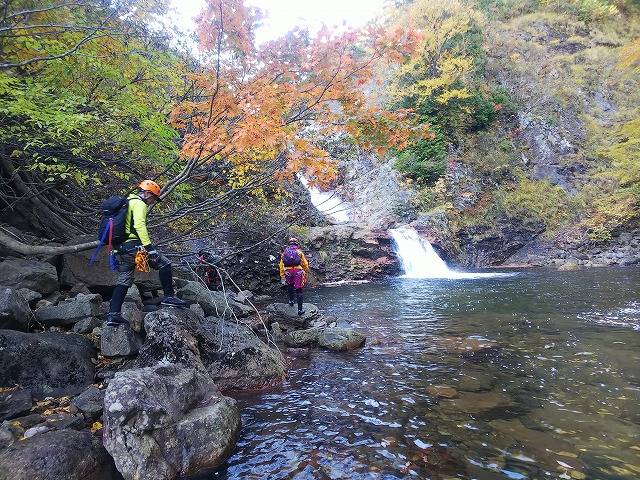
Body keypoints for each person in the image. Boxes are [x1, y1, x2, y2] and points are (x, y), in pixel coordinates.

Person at [106, 180, 187, 326]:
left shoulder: (127, 201)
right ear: (147, 193)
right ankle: (169, 297)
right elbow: (139, 226)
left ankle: (113, 315)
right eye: (153, 198)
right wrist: (150, 248)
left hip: (119, 249)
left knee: (124, 280)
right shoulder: (139, 203)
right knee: (164, 264)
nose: (152, 202)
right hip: (133, 248)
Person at [279, 237, 309, 316]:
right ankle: (300, 310)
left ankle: (291, 301)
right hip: (298, 271)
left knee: (290, 285)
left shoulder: (285, 252)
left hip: (288, 271)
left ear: (289, 244)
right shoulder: (299, 252)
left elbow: (281, 265)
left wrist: (282, 275)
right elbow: (305, 264)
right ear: (297, 243)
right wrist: (305, 271)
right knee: (299, 289)